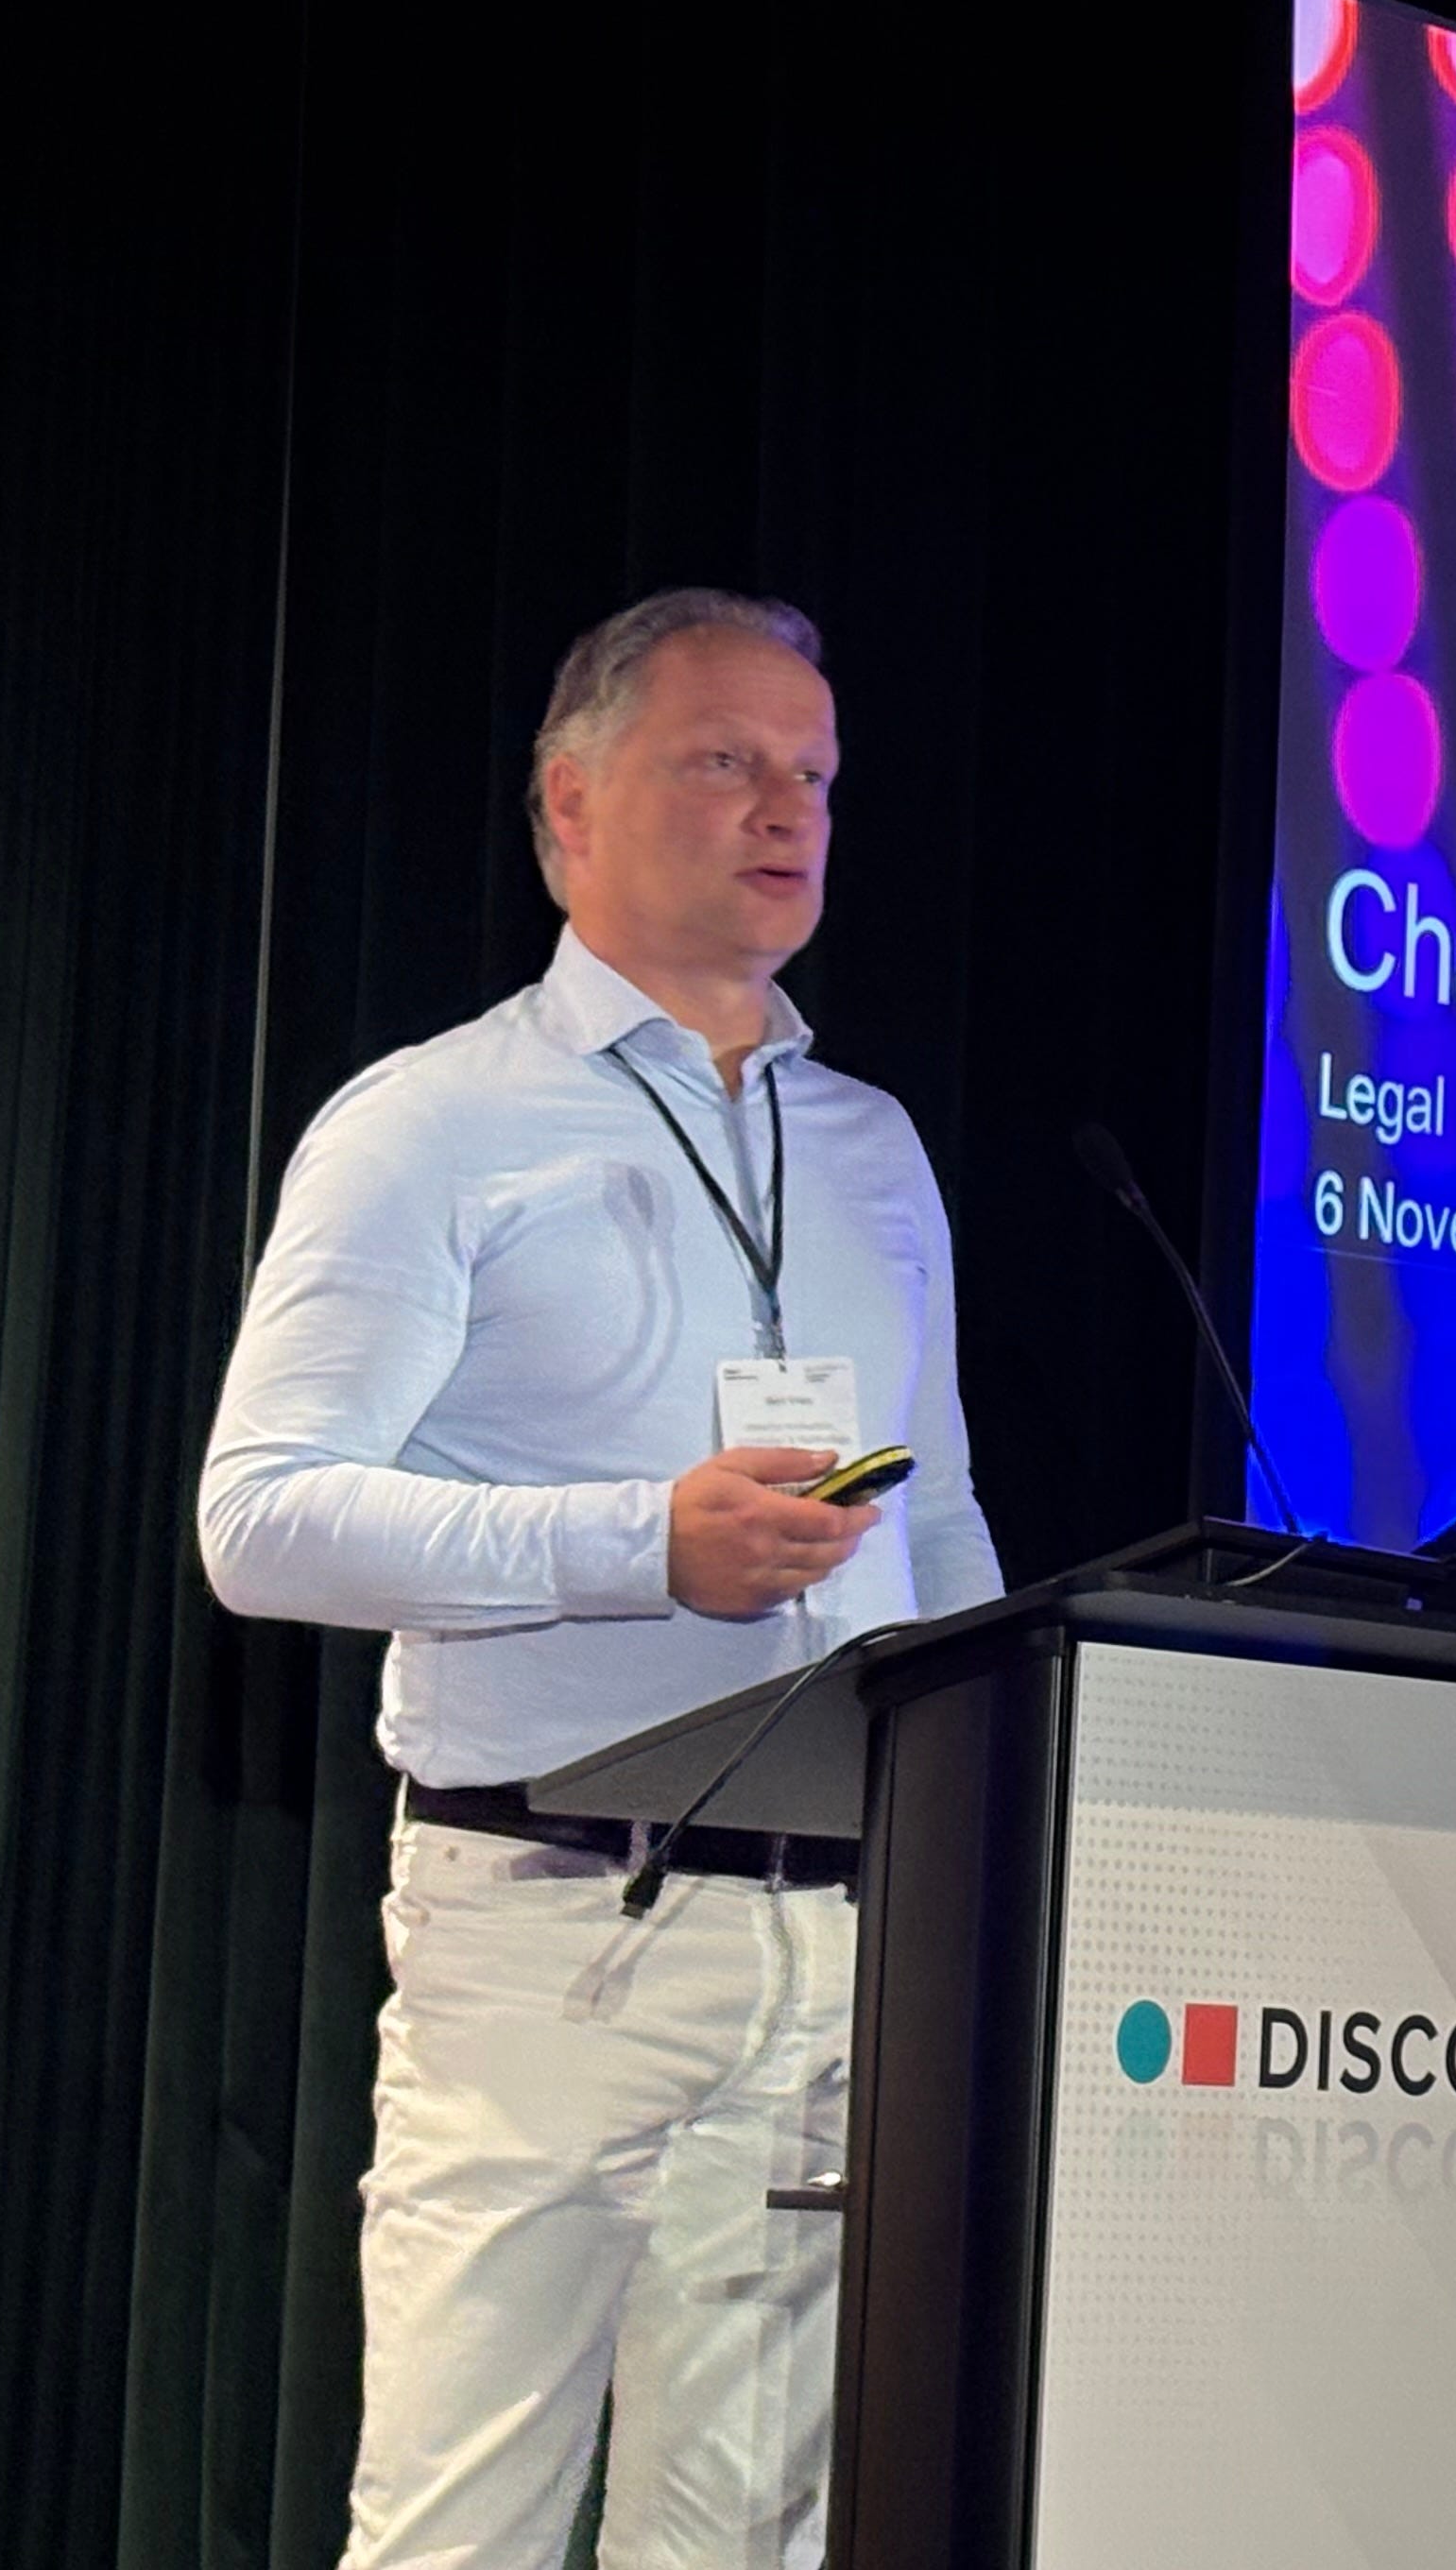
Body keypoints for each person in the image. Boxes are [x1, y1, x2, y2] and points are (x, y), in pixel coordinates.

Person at [198, 589, 1002, 2565]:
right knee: (459, 2531)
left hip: (836, 1947)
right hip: (548, 1935)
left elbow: (942, 1525)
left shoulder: (875, 1147)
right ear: (568, 807)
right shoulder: (435, 1124)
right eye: (726, 760)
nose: (787, 809)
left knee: (743, 2543)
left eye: (815, 772)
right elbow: (262, 1517)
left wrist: (986, 1819)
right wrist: (642, 1544)